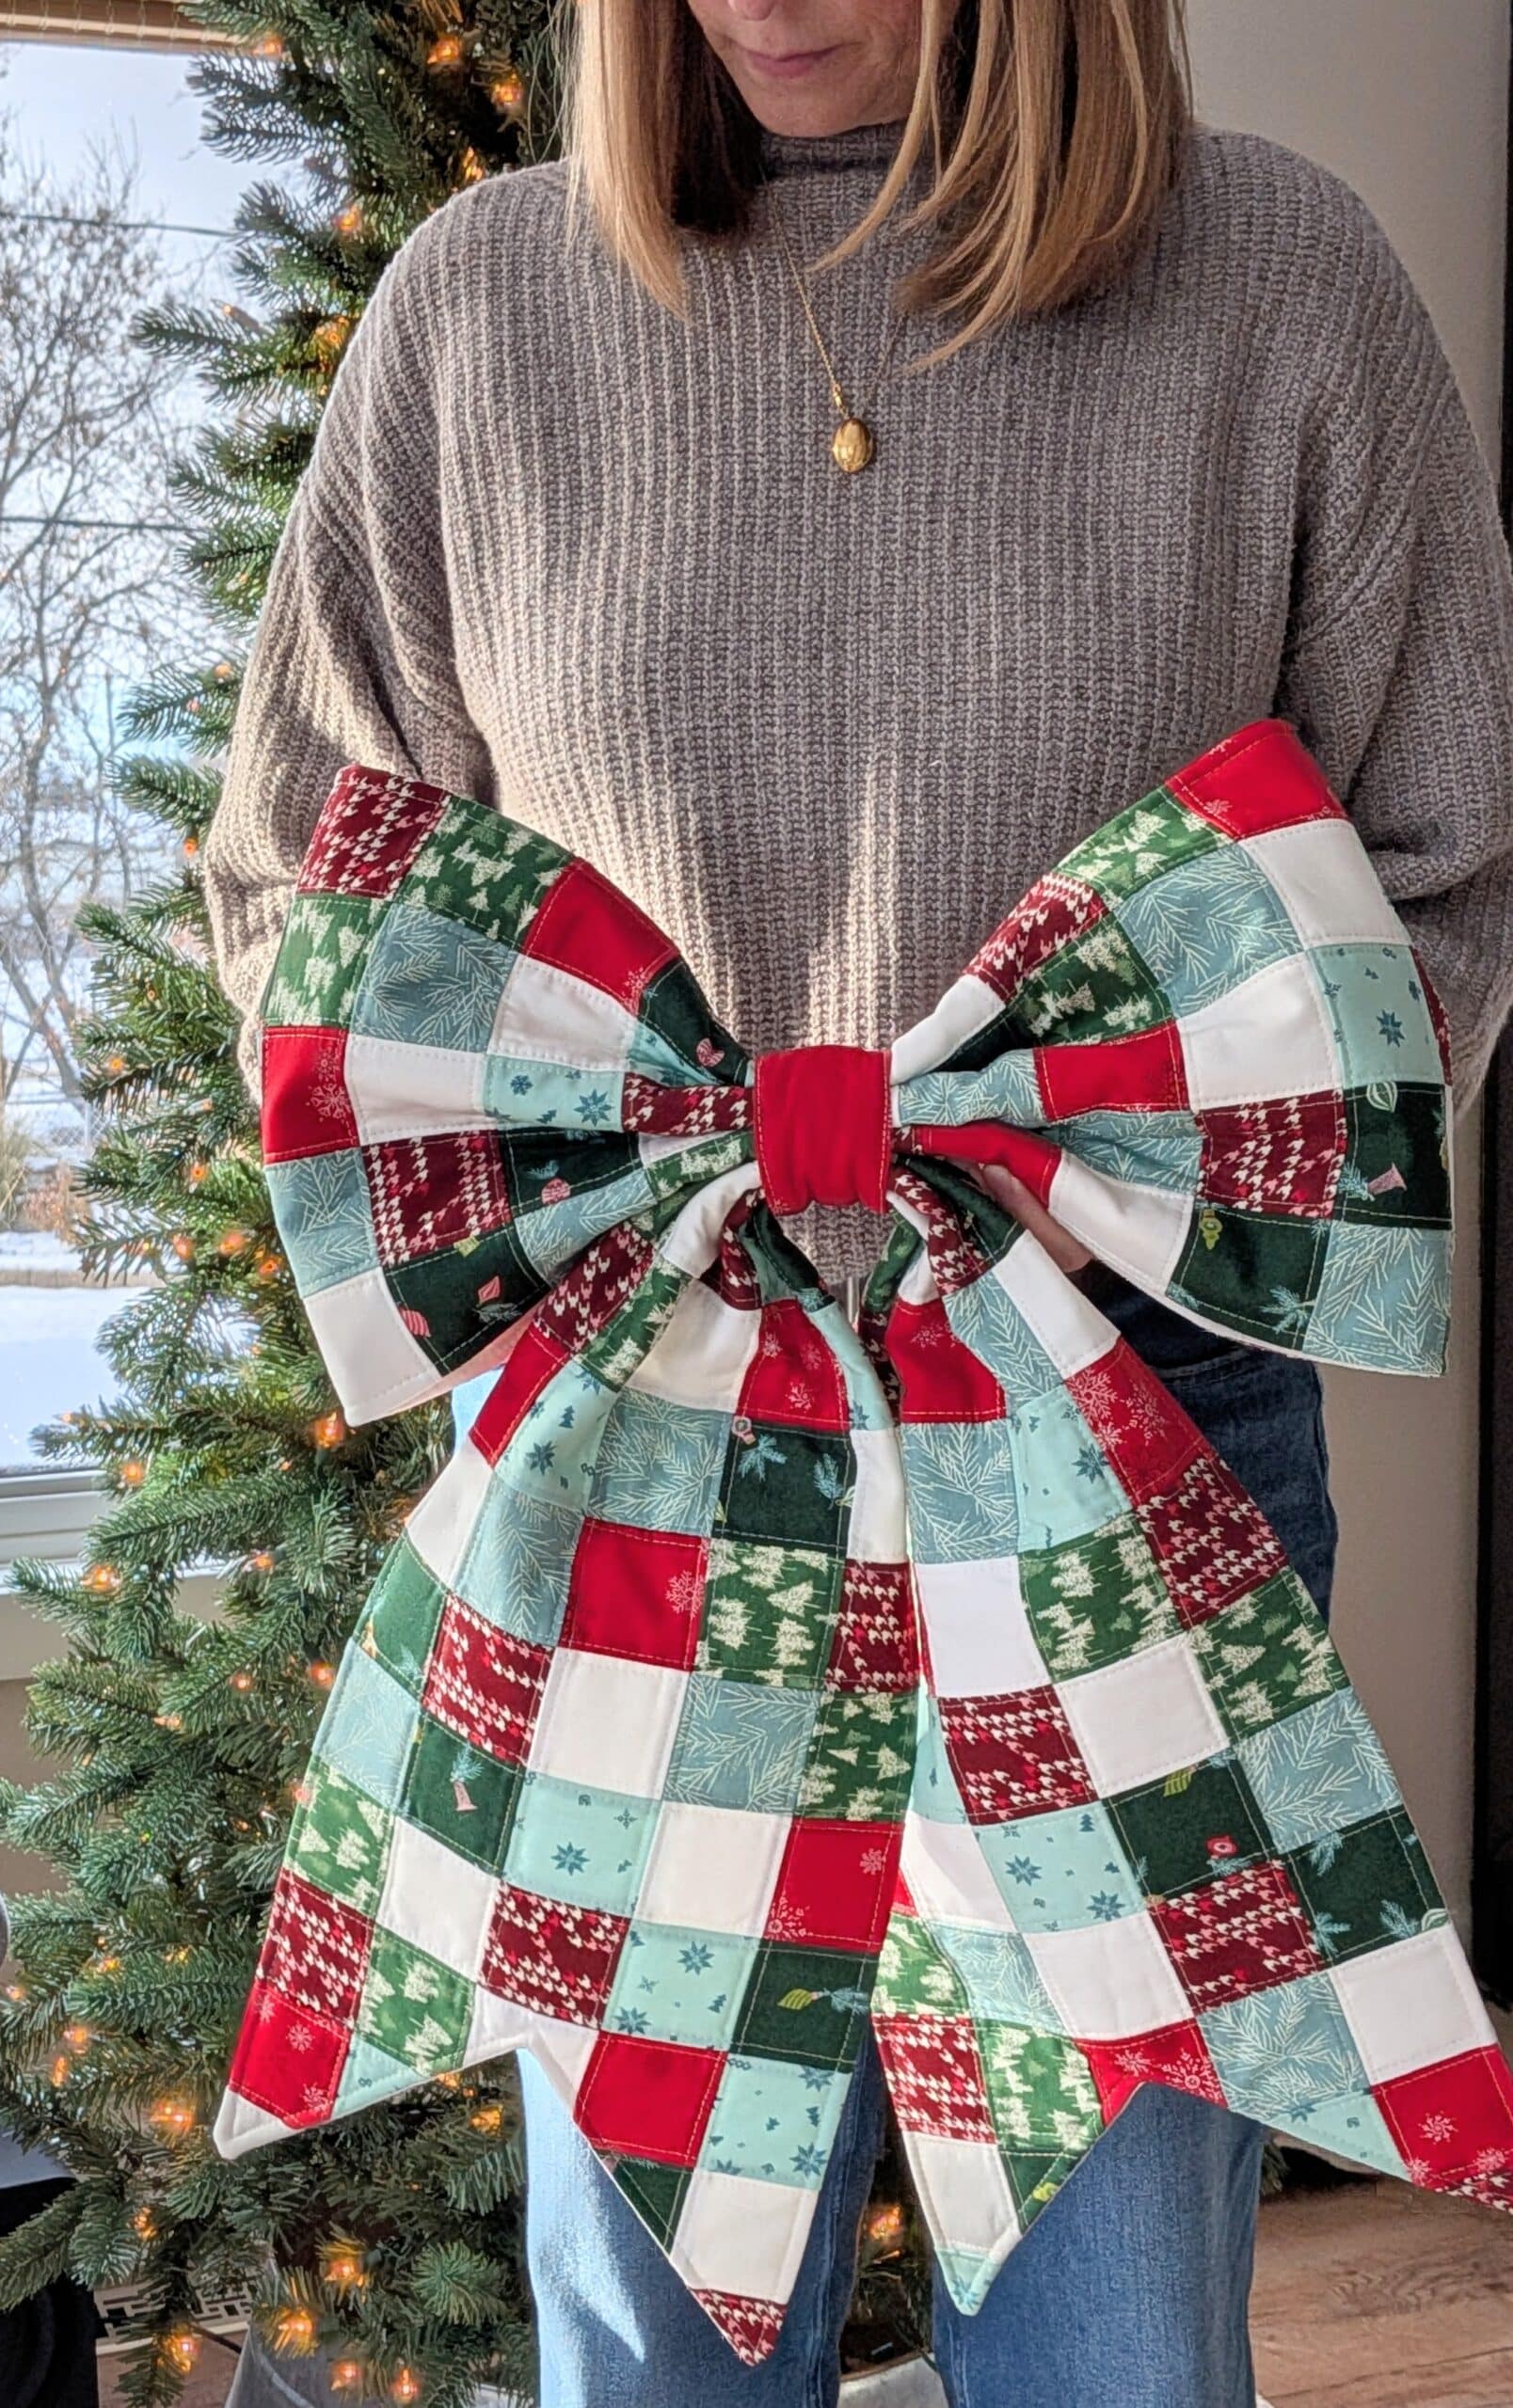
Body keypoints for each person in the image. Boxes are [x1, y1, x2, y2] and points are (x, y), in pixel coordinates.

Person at [202, 3, 1513, 2400]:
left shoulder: (1281, 286)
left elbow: (1450, 853)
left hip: (1119, 1442)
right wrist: (582, 1196)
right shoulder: (480, 313)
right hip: (647, 1455)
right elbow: (306, 880)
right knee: (657, 2347)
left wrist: (1128, 1167)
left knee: (1122, 2339)